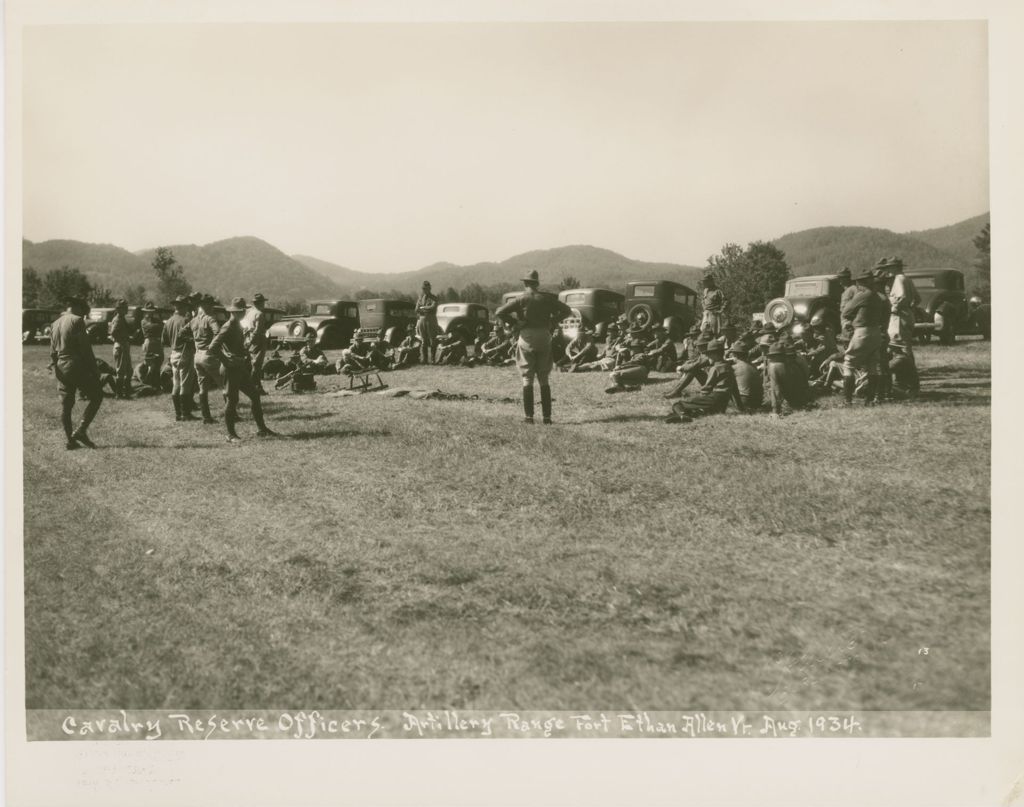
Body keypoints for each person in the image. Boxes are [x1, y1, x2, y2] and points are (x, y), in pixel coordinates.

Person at [495, 270, 573, 424]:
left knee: (527, 378)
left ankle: (529, 417)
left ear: (525, 284)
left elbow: (499, 312)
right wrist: (552, 321)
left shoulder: (521, 299)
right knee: (544, 378)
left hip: (527, 336)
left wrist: (516, 323)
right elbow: (567, 310)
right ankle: (547, 417)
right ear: (537, 284)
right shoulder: (546, 298)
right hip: (544, 335)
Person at [208, 297, 277, 442]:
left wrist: (244, 352)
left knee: (255, 395)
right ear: (233, 312)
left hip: (239, 367)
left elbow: (235, 345)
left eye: (242, 311)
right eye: (238, 311)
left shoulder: (237, 326)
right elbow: (213, 347)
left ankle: (262, 429)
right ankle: (230, 434)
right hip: (230, 369)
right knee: (232, 400)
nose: (241, 314)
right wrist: (226, 360)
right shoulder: (227, 326)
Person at [50, 296, 104, 449]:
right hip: (75, 366)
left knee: (66, 406)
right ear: (79, 307)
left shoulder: (55, 323)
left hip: (61, 366)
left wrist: (57, 369)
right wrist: (94, 369)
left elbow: (52, 352)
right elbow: (85, 349)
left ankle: (70, 440)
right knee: (97, 396)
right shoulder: (77, 320)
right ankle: (81, 430)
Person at [666, 338, 745, 423]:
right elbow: (735, 390)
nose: (707, 357)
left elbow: (706, 389)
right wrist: (741, 408)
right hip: (723, 404)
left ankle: (683, 416)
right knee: (698, 409)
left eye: (708, 354)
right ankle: (693, 412)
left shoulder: (715, 368)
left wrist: (696, 399)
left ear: (715, 355)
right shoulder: (729, 368)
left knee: (678, 404)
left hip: (713, 398)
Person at [840, 270, 888, 405]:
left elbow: (846, 311)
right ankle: (870, 399)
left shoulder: (862, 295)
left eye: (859, 282)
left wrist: (850, 321)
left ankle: (847, 400)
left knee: (848, 364)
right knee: (872, 365)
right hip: (876, 332)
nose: (857, 284)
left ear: (862, 283)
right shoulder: (878, 297)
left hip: (862, 332)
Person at [162, 295, 198, 421]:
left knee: (176, 383)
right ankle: (186, 414)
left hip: (174, 353)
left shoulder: (169, 321)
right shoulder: (185, 320)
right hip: (185, 352)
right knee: (185, 385)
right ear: (183, 307)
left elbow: (164, 340)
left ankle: (178, 414)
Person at [191, 293, 223, 424]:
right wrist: (212, 347)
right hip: (208, 354)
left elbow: (182, 332)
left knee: (202, 387)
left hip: (197, 355)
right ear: (207, 306)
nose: (212, 308)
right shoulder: (210, 319)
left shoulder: (193, 320)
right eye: (211, 305)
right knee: (224, 384)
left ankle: (206, 417)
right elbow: (218, 333)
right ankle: (232, 414)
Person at [663, 333, 711, 398]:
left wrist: (681, 368)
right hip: (711, 380)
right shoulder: (706, 353)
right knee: (693, 369)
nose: (698, 347)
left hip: (714, 384)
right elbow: (695, 361)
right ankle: (675, 391)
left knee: (693, 370)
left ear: (704, 346)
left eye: (700, 346)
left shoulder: (708, 356)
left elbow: (695, 364)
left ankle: (676, 391)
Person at [243, 292, 270, 393]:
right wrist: (252, 340)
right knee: (257, 365)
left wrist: (248, 341)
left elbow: (245, 327)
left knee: (252, 364)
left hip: (250, 340)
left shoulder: (249, 313)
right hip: (258, 341)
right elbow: (258, 330)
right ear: (260, 303)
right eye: (263, 302)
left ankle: (255, 386)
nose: (264, 305)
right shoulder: (259, 314)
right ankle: (255, 387)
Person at [108, 298, 133, 398]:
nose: (126, 309)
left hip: (123, 345)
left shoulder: (121, 318)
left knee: (128, 370)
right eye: (124, 308)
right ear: (118, 309)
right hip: (121, 345)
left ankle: (126, 392)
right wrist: (121, 338)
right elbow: (113, 332)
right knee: (121, 371)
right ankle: (119, 393)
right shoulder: (118, 319)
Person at [728, 344, 763, 411]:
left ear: (734, 355)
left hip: (745, 401)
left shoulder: (734, 368)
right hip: (758, 401)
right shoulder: (753, 366)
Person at [138, 302, 164, 389]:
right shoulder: (143, 321)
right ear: (145, 312)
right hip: (149, 342)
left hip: (157, 342)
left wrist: (159, 324)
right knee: (150, 363)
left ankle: (156, 383)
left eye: (152, 311)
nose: (150, 313)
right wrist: (158, 324)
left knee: (159, 361)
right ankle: (148, 382)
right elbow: (151, 328)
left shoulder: (156, 320)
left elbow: (161, 327)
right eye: (148, 311)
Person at [415, 281, 440, 364]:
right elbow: (416, 309)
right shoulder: (420, 298)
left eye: (426, 288)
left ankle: (433, 359)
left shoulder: (434, 298)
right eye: (423, 288)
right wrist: (425, 308)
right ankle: (425, 359)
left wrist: (422, 307)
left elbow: (433, 307)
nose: (424, 290)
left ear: (430, 288)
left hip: (431, 319)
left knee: (432, 339)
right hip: (422, 320)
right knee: (423, 340)